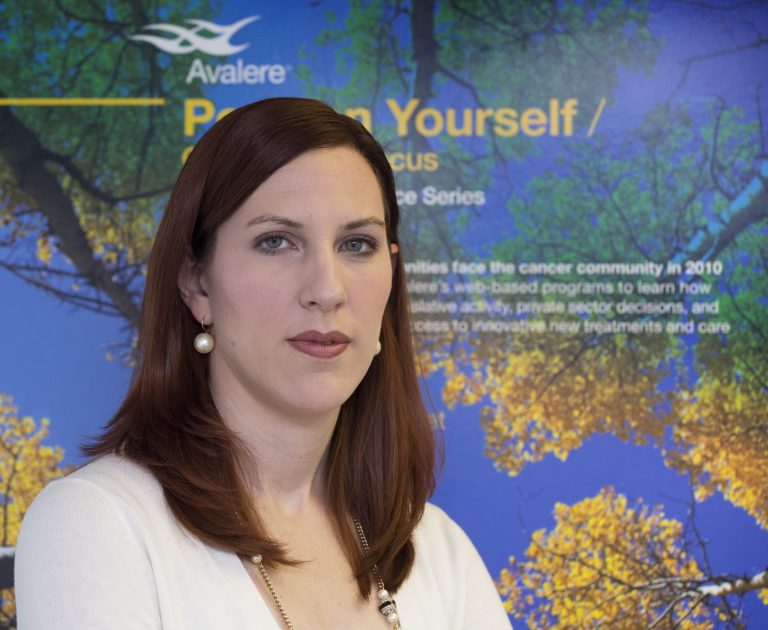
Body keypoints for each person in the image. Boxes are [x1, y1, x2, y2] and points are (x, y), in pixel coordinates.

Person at [15, 97, 512, 629]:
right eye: (275, 241)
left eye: (356, 244)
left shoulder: (437, 549)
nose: (327, 289)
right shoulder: (98, 523)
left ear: (391, 278)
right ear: (197, 283)